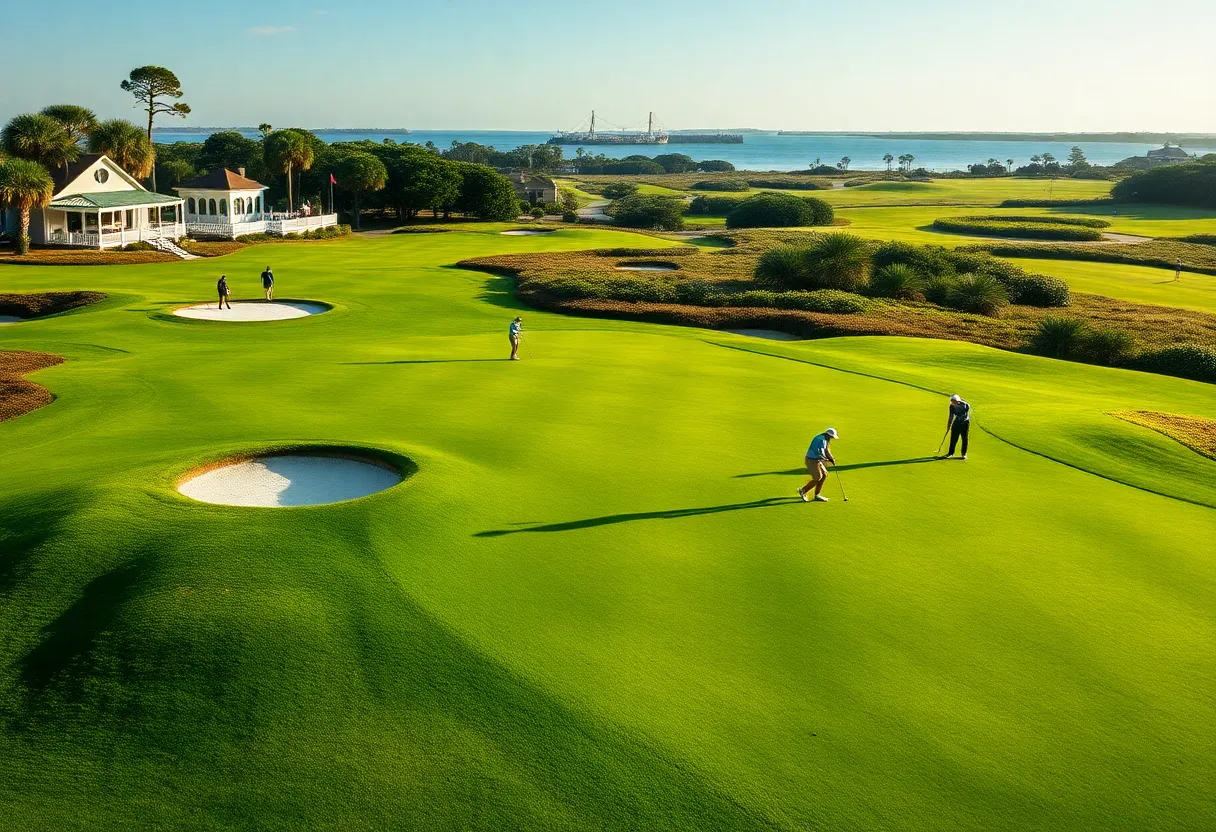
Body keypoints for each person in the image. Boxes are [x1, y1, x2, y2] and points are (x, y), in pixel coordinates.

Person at [798, 428, 839, 503]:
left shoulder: (825, 438)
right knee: (818, 477)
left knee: (824, 475)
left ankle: (817, 495)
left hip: (817, 460)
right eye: (832, 437)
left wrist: (831, 458)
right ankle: (803, 490)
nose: (832, 438)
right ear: (829, 435)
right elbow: (820, 451)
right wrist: (825, 458)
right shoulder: (821, 439)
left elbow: (826, 450)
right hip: (811, 460)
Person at [944, 394, 971, 459]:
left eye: (953, 401)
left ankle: (964, 454)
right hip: (957, 423)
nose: (952, 402)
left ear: (957, 400)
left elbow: (964, 415)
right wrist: (949, 425)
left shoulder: (965, 405)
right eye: (951, 401)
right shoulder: (951, 406)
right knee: (953, 438)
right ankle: (950, 453)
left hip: (965, 423)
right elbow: (951, 416)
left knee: (964, 439)